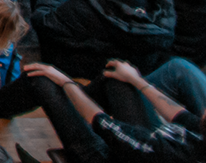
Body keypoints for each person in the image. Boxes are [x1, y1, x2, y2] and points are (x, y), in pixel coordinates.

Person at [6, 0, 178, 79]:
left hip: (68, 58)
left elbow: (43, 21)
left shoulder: (84, 9)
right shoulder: (151, 3)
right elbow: (107, 3)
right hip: (95, 51)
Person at [22, 58, 206, 163]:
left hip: (106, 155)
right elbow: (182, 116)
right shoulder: (200, 138)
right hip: (137, 145)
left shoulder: (171, 153)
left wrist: (66, 82)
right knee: (118, 78)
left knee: (41, 80)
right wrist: (135, 79)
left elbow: (102, 123)